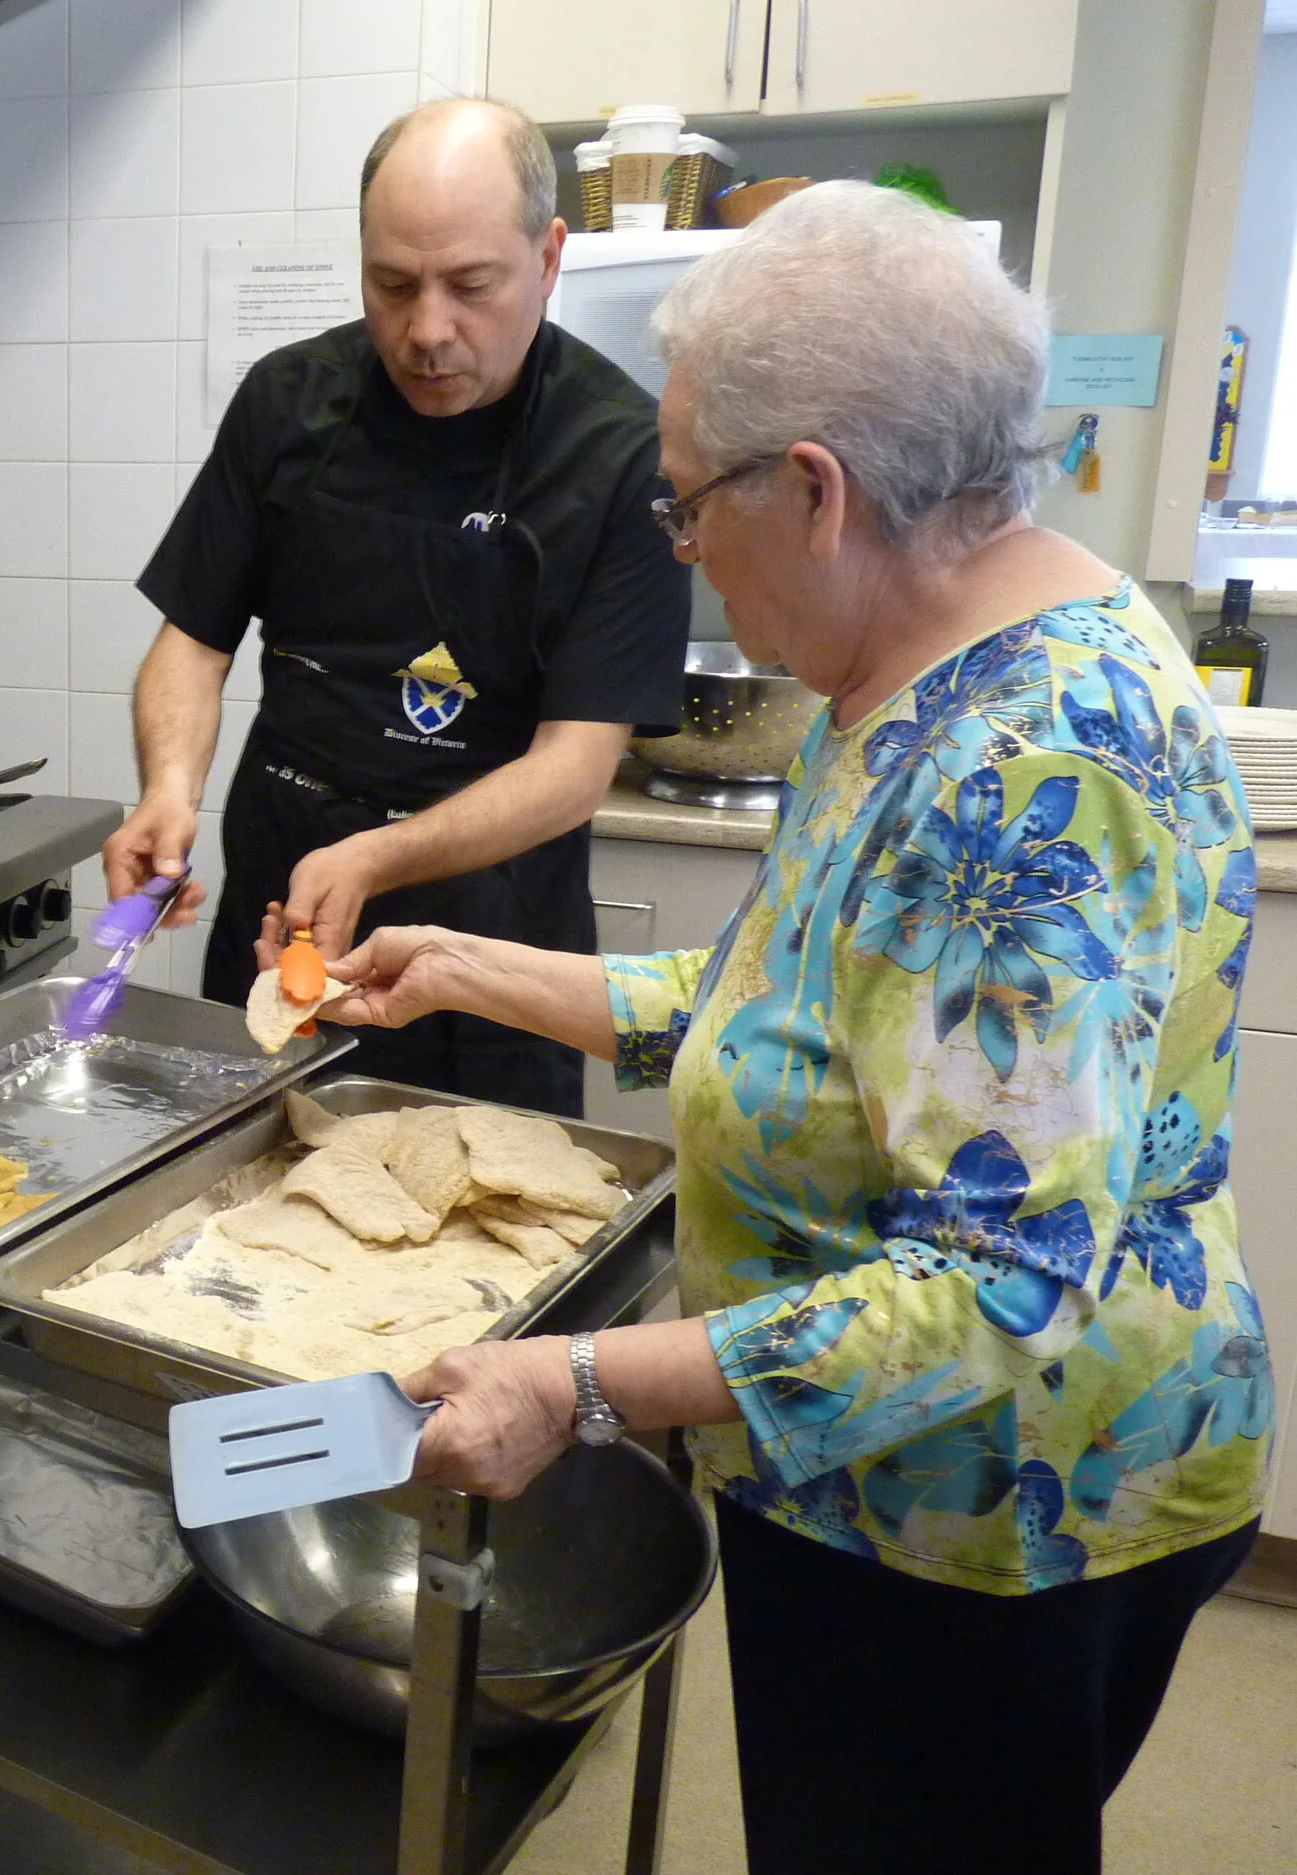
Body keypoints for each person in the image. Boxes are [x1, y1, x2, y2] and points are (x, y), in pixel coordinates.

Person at [325, 183, 1275, 1875]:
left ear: (817, 492)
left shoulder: (1029, 762)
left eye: (689, 507)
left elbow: (995, 1293)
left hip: (983, 1517)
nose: (682, 549)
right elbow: (807, 1012)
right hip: (856, 1478)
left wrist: (582, 1387)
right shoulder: (909, 659)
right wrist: (471, 966)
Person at [106, 97, 688, 1114]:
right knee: (246, 1199)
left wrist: (380, 854)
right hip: (284, 909)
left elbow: (572, 770)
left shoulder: (623, 456)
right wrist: (167, 790)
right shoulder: (287, 403)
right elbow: (193, 641)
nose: (426, 331)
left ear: (548, 259)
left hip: (494, 937)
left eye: (471, 287)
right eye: (391, 285)